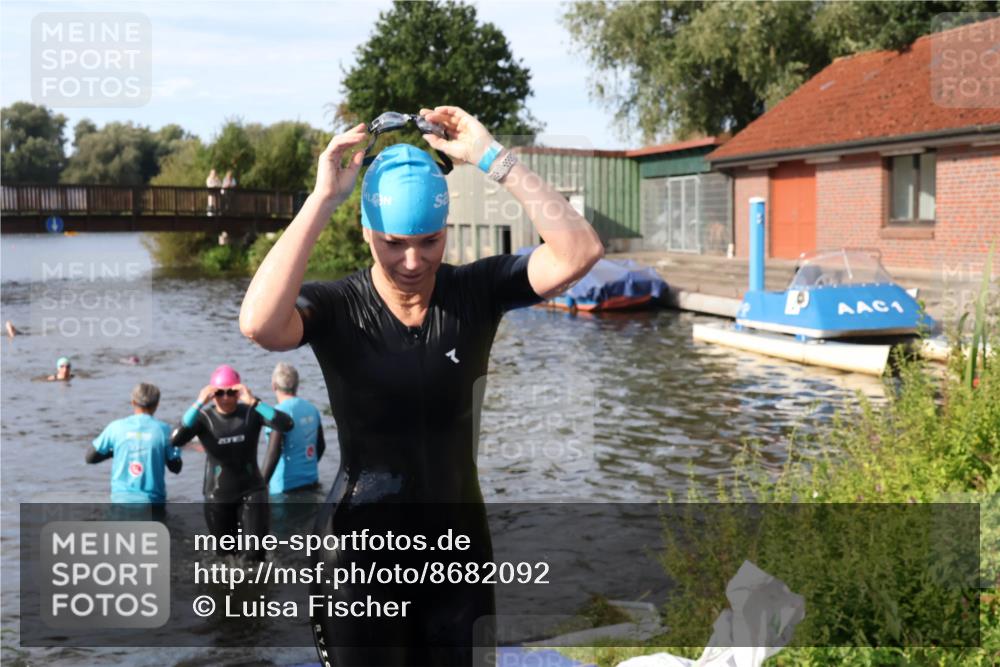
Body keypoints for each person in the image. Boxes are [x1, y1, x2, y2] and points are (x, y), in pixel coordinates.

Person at [238, 105, 603, 665]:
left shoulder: (475, 292)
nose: (412, 261)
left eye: (429, 242)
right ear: (366, 233)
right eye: (392, 243)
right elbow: (259, 323)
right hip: (356, 564)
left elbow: (580, 252)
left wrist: (493, 158)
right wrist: (321, 200)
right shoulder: (338, 307)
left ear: (446, 233)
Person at [170, 364, 293, 561]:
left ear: (239, 391)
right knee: (226, 557)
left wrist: (254, 401)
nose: (225, 397)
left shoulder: (251, 412)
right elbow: (175, 439)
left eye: (231, 392)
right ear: (211, 393)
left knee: (255, 555)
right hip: (218, 495)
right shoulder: (203, 418)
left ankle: (259, 590)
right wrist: (198, 403)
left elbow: (286, 424)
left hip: (252, 490)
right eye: (219, 393)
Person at [86, 383, 182, 506]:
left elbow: (90, 458)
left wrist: (113, 452)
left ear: (132, 402)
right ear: (157, 405)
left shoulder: (116, 427)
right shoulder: (165, 430)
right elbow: (176, 468)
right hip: (152, 503)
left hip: (120, 502)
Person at [261, 362, 325, 495]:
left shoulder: (277, 414)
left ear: (274, 386)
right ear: (297, 385)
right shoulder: (312, 409)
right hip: (311, 483)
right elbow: (321, 446)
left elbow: (273, 453)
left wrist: (259, 487)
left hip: (285, 489)